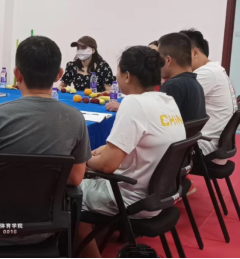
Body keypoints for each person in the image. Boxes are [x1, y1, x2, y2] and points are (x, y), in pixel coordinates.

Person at [0, 36, 91, 246]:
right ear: (59, 75)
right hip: (42, 228)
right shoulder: (75, 119)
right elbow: (76, 178)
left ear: (17, 74)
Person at [78, 46, 186, 258]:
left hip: (131, 199)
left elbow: (107, 165)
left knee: (68, 191)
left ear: (127, 76)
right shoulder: (167, 101)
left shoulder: (133, 103)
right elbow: (133, 145)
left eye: (118, 72)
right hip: (160, 196)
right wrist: (100, 153)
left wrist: (85, 161)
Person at [181, 29, 238, 165]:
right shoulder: (216, 70)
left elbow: (171, 106)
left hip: (205, 147)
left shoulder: (206, 73)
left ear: (195, 53)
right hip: (218, 146)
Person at [159, 33, 207, 122]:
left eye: (159, 59)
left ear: (168, 60)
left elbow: (159, 124)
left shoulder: (173, 86)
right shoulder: (196, 84)